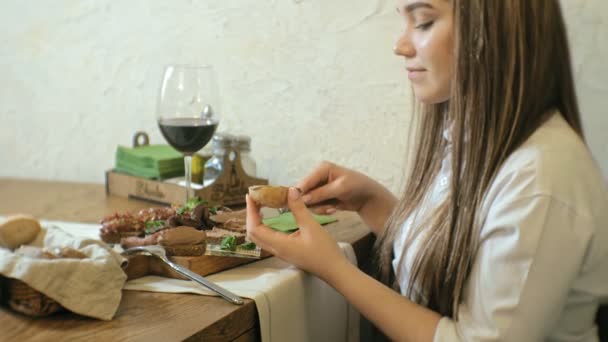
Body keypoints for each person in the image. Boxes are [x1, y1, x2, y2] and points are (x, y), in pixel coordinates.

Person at [246, 0, 608, 341]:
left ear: (489, 29)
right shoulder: (470, 141)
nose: (400, 46)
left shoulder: (540, 178)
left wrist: (333, 269)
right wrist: (374, 202)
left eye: (423, 22)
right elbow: (453, 265)